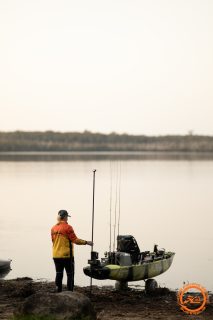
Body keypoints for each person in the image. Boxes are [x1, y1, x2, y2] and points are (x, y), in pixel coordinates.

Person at [51, 209, 93, 292]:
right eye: (67, 217)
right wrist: (86, 242)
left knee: (59, 273)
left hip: (56, 255)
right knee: (70, 274)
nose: (67, 218)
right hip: (67, 256)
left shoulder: (53, 228)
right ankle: (70, 292)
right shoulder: (68, 227)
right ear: (65, 217)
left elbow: (53, 241)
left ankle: (58, 290)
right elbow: (75, 240)